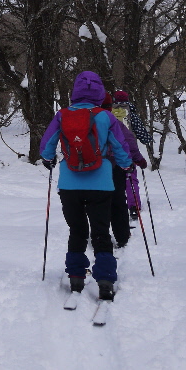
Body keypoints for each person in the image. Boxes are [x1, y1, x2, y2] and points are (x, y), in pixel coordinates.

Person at [40, 71, 131, 301]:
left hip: (69, 185)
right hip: (101, 183)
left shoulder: (62, 115)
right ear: (100, 92)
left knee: (77, 230)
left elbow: (48, 144)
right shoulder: (105, 117)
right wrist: (126, 165)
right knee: (101, 231)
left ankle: (76, 278)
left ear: (75, 92)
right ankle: (106, 280)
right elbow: (119, 147)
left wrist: (48, 159)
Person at [101, 92, 149, 248]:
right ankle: (133, 206)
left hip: (96, 165)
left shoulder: (93, 116)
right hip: (120, 160)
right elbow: (131, 137)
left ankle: (99, 234)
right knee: (127, 184)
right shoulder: (127, 114)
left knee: (99, 200)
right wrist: (138, 157)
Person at [112, 90, 151, 220]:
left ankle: (113, 206)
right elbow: (141, 132)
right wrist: (147, 140)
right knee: (130, 178)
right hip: (129, 150)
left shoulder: (108, 113)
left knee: (113, 179)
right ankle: (134, 206)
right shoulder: (131, 114)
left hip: (111, 151)